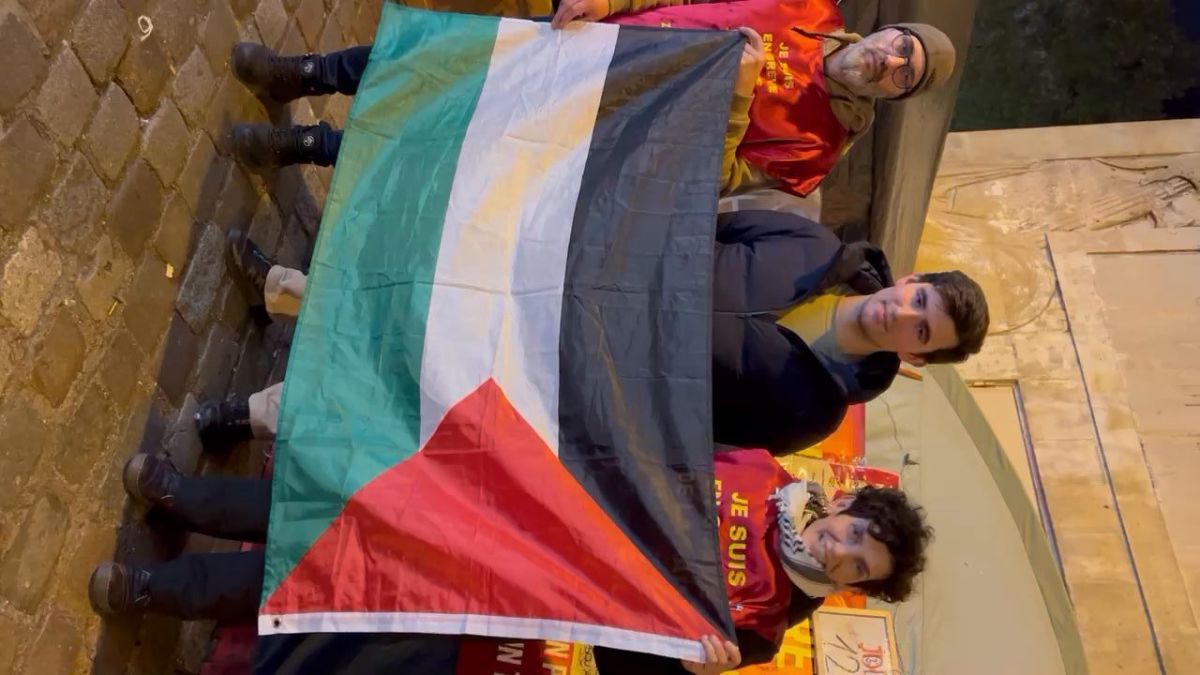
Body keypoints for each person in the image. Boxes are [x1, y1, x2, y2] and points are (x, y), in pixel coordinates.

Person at [88, 447, 932, 674]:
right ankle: (184, 494)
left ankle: (157, 588)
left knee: (344, 584)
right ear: (846, 506)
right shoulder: (759, 468)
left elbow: (619, 658)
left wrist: (685, 666)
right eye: (854, 533)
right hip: (523, 495)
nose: (840, 551)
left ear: (851, 589)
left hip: (517, 587)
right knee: (346, 506)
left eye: (857, 567)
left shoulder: (763, 627)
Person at [199, 211, 988, 454]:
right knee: (425, 297)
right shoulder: (811, 243)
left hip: (583, 381)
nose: (904, 315)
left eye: (922, 332)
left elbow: (698, 441)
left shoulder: (815, 414)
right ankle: (286, 289)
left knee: (419, 391)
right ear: (911, 278)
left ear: (918, 356)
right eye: (918, 299)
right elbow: (694, 215)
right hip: (578, 281)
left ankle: (260, 414)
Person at [226, 0, 956, 196]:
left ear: (896, 95)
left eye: (905, 73)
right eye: (902, 45)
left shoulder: (815, 153)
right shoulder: (809, 7)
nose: (890, 61)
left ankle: (306, 146)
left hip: (605, 127)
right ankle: (302, 73)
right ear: (888, 29)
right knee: (441, 59)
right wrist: (608, 0)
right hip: (591, 43)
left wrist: (737, 99)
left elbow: (713, 181)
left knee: (450, 148)